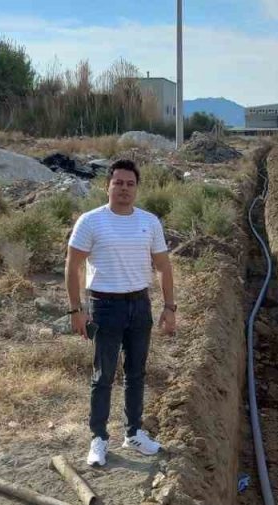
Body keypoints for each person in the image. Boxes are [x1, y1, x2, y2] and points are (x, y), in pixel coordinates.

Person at [65, 159, 177, 467]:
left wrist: (169, 307)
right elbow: (72, 266)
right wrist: (76, 310)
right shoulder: (91, 221)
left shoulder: (149, 222)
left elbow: (164, 268)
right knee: (103, 376)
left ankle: (133, 433)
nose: (124, 189)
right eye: (118, 183)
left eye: (130, 184)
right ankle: (99, 438)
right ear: (108, 186)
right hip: (105, 306)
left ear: (137, 188)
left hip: (139, 305)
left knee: (136, 373)